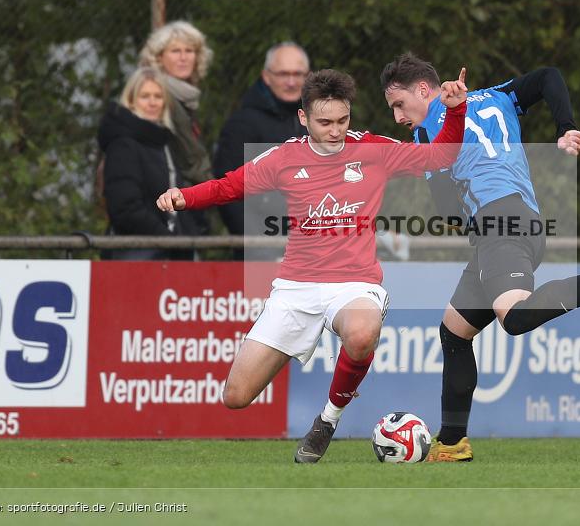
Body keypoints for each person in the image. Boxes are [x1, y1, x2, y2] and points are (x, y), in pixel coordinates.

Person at [156, 67, 469, 463]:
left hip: (355, 283)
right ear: (304, 118)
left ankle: (328, 420)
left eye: (342, 120)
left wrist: (456, 112)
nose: (335, 130)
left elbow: (439, 155)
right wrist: (183, 196)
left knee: (361, 333)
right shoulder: (284, 158)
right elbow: (228, 186)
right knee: (236, 396)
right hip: (296, 287)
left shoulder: (372, 150)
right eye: (324, 122)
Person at [380, 52, 580, 462]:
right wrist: (566, 125)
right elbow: (548, 77)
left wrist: (451, 207)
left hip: (499, 222)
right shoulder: (497, 95)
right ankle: (451, 444)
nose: (397, 116)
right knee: (454, 332)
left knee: (515, 317)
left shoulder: (429, 133)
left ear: (424, 90)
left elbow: (448, 209)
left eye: (399, 104)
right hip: (516, 218)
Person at [212, 42, 310, 259]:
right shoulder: (242, 125)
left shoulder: (317, 123)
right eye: (283, 74)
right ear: (267, 76)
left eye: (298, 74)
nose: (291, 82)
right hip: (264, 252)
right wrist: (257, 247)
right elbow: (229, 191)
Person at [98, 67, 204, 260]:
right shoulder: (123, 145)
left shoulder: (166, 143)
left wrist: (188, 234)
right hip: (136, 252)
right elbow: (125, 208)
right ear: (131, 100)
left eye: (158, 96)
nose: (152, 102)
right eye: (145, 96)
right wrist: (169, 239)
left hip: (171, 250)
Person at [139, 20, 214, 187]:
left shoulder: (186, 98)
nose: (183, 58)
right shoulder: (159, 97)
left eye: (189, 51)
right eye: (175, 51)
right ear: (159, 58)